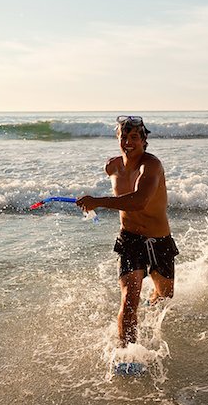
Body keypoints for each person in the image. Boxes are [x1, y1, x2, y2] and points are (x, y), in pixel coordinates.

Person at [76, 116, 179, 347]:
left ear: (144, 140)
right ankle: (127, 354)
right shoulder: (111, 166)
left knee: (164, 298)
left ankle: (151, 307)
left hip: (159, 239)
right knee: (128, 301)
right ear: (118, 139)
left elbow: (140, 200)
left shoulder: (151, 165)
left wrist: (99, 201)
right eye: (124, 137)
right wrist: (90, 202)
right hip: (130, 239)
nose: (128, 142)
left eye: (134, 137)